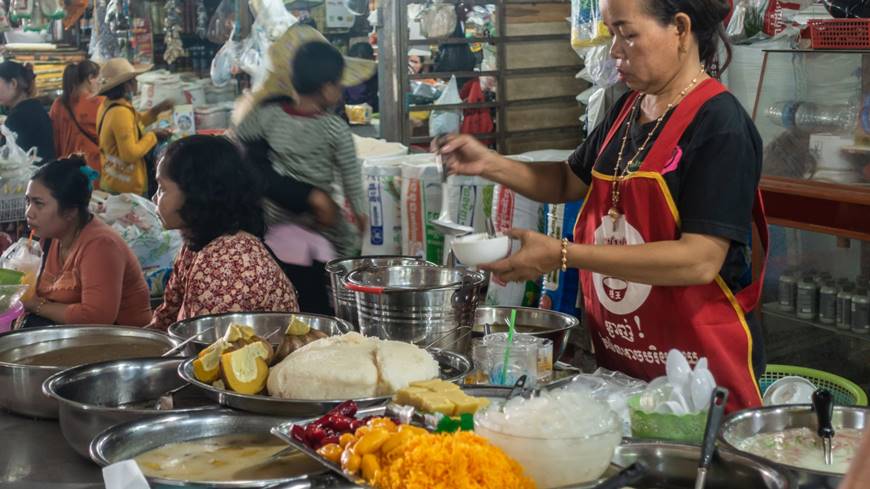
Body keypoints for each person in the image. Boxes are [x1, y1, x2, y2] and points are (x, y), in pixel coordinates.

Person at [438, 0, 767, 412]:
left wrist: (562, 254)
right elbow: (566, 180)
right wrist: (489, 164)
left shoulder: (721, 125)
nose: (614, 50)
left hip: (701, 384)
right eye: (611, 33)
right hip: (625, 370)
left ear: (680, 30)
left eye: (627, 34)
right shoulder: (628, 109)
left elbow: (699, 260)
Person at [235, 25, 375, 314]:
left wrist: (261, 98)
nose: (340, 90)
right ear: (327, 88)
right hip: (320, 220)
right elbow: (350, 175)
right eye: (339, 84)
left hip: (275, 216)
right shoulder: (334, 128)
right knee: (346, 247)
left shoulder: (269, 116)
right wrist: (361, 216)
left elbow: (241, 132)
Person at [149, 135, 300, 330]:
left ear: (196, 194)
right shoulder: (196, 243)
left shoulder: (226, 264)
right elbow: (166, 317)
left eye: (162, 189)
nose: (154, 198)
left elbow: (210, 351)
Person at [22, 156, 152, 327]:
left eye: (39, 204)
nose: (29, 213)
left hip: (123, 344)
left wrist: (36, 305)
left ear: (70, 211)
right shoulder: (51, 238)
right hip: (77, 336)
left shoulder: (101, 246)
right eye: (27, 201)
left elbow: (97, 317)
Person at [96, 58, 173, 197]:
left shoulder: (109, 105)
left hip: (113, 180)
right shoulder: (120, 112)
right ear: (127, 85)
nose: (137, 82)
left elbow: (134, 124)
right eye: (134, 79)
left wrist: (156, 111)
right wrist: (153, 136)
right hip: (125, 187)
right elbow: (130, 154)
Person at [49, 60, 103, 184]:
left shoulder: (58, 104)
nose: (100, 84)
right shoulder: (100, 104)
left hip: (66, 171)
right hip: (94, 171)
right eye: (99, 79)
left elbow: (54, 140)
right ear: (90, 78)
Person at [0, 60, 55, 162]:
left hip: (31, 176)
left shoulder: (18, 117)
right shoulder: (34, 107)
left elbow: (6, 161)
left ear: (13, 83)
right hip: (45, 174)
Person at [343, 42, 379, 111]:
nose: (361, 69)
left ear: (373, 59)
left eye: (365, 65)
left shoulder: (378, 75)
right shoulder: (345, 78)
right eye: (357, 65)